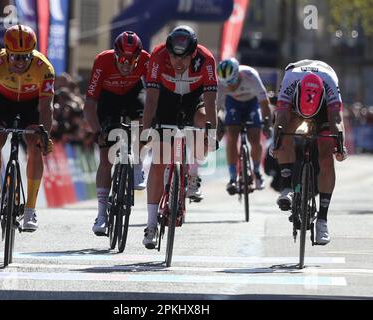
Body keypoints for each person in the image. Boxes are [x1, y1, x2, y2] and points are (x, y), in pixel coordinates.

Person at [141, 25, 218, 249]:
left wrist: (211, 134)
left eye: (183, 58)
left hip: (194, 99)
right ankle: (151, 224)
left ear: (193, 52)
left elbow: (212, 102)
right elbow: (151, 101)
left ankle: (193, 172)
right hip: (166, 100)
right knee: (159, 163)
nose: (178, 63)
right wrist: (147, 130)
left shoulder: (206, 60)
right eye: (174, 57)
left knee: (203, 121)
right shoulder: (158, 55)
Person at [0, 24, 55, 232]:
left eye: (25, 56)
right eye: (15, 57)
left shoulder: (44, 68)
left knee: (35, 147)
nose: (20, 62)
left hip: (31, 105)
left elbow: (46, 107)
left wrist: (44, 134)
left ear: (32, 53)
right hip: (3, 103)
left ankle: (30, 209)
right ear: (7, 53)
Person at [273, 59, 348, 245]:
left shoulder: (329, 83)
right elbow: (280, 116)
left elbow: (337, 119)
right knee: (283, 136)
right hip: (296, 109)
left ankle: (322, 220)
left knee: (326, 156)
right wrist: (276, 142)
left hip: (323, 111)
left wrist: (340, 146)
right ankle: (287, 187)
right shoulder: (291, 80)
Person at [83, 31, 150, 236]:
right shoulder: (102, 60)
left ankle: (137, 165)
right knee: (106, 158)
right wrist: (97, 131)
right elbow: (90, 103)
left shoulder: (146, 60)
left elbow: (156, 94)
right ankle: (102, 215)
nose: (127, 65)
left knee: (143, 120)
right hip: (108, 98)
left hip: (133, 92)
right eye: (122, 59)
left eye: (132, 61)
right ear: (115, 55)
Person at [216, 57, 272, 195]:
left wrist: (267, 123)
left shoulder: (251, 75)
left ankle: (257, 172)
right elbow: (216, 109)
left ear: (238, 74)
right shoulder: (221, 84)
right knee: (232, 137)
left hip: (252, 104)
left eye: (232, 81)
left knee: (254, 138)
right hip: (233, 103)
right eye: (226, 83)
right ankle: (233, 177)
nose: (230, 86)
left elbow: (265, 104)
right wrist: (218, 125)